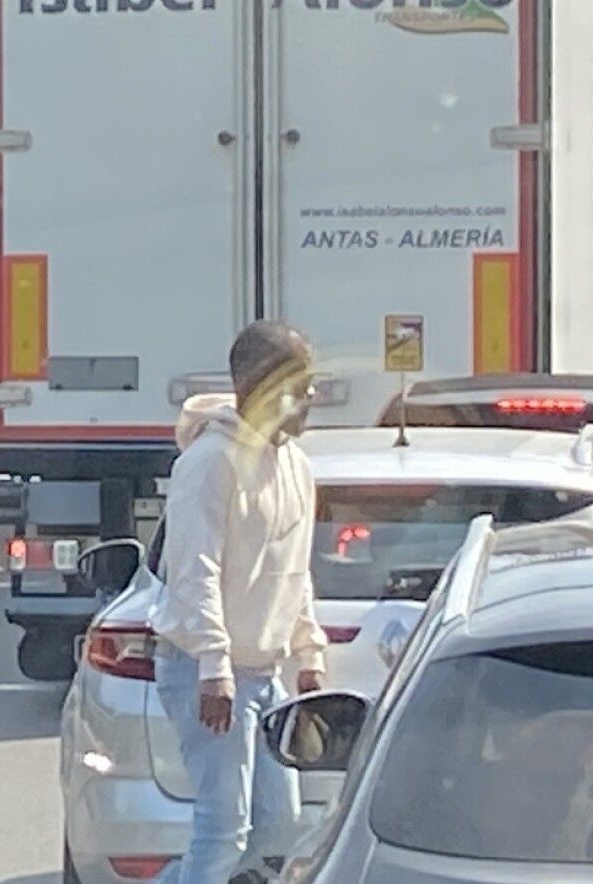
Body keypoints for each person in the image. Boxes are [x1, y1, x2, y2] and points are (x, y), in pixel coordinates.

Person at [149, 320, 329, 883]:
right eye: (297, 384)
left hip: (264, 672)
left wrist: (309, 652)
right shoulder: (209, 462)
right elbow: (194, 569)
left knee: (280, 824)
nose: (310, 396)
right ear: (255, 383)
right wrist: (214, 667)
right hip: (204, 670)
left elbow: (292, 569)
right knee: (225, 824)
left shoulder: (295, 464)